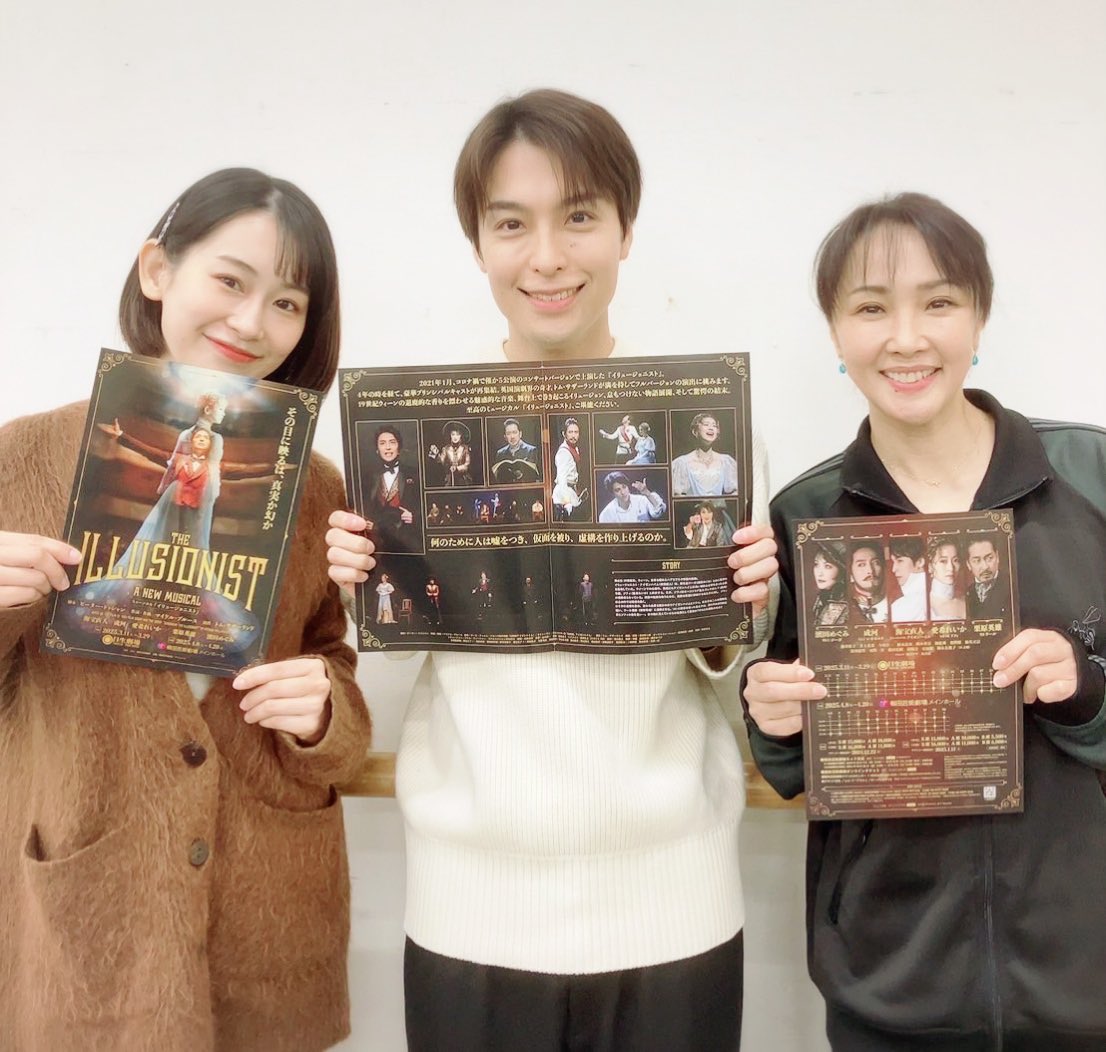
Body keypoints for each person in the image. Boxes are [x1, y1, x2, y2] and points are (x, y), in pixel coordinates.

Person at [326, 90, 778, 1052]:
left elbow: (728, 662)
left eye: (578, 217)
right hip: (470, 911)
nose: (547, 257)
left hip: (675, 902)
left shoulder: (705, 425)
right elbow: (399, 647)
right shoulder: (411, 434)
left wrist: (742, 606)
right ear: (478, 245)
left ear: (624, 231)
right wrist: (361, 582)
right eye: (511, 224)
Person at [0, 168, 372, 1050]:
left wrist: (324, 711)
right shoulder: (24, 456)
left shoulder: (316, 487)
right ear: (158, 270)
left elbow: (333, 659)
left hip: (266, 910)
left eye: (288, 303)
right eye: (230, 280)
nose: (252, 321)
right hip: (93, 917)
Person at [742, 192, 1106, 1050]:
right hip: (892, 984)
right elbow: (792, 759)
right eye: (871, 309)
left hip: (1084, 973)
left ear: (978, 318)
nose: (906, 338)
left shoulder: (1088, 473)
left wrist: (1084, 688)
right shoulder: (805, 516)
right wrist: (772, 714)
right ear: (837, 333)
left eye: (938, 303)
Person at [367, 425, 418, 550]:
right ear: (377, 450)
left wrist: (414, 517)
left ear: (399, 448)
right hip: (379, 541)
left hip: (408, 541)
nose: (388, 447)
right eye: (382, 443)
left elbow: (427, 506)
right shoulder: (369, 477)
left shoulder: (414, 474)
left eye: (392, 442)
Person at [670, 413, 739, 496]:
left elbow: (736, 493)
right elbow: (677, 495)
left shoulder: (726, 461)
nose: (711, 428)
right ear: (695, 431)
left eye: (714, 426)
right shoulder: (682, 463)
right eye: (706, 424)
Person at [597, 470, 666, 523]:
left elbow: (658, 513)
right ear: (612, 493)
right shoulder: (606, 514)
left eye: (624, 487)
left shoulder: (641, 500)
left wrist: (648, 494)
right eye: (617, 490)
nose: (623, 492)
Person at [966, 533, 1008, 619]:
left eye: (989, 558)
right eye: (977, 561)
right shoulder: (966, 594)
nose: (985, 567)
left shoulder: (1011, 586)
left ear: (997, 557)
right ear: (968, 564)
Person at [552, 416, 586, 519]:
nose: (573, 435)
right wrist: (567, 502)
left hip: (571, 491)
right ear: (564, 434)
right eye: (570, 432)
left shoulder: (575, 449)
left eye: (576, 432)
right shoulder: (563, 452)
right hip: (563, 496)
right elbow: (562, 478)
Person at [846, 541, 888, 623]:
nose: (870, 570)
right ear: (851, 574)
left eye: (876, 563)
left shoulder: (898, 605)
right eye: (861, 565)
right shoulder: (839, 610)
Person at [888, 535, 927, 622]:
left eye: (900, 561)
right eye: (893, 562)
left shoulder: (904, 606)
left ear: (920, 562)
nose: (894, 569)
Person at [927, 535, 966, 620]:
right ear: (930, 566)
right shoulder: (922, 604)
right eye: (943, 561)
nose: (951, 568)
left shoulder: (967, 600)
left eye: (955, 560)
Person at [810, 541, 848, 626]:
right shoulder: (822, 597)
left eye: (827, 566)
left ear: (841, 571)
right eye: (816, 564)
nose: (820, 573)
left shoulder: (847, 604)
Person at [492, 417, 540, 482]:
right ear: (505, 437)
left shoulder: (531, 450)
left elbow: (535, 475)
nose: (512, 437)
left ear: (520, 434)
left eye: (514, 432)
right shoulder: (500, 453)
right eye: (508, 433)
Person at [432, 420, 473, 487]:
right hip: (450, 480)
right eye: (453, 434)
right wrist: (436, 454)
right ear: (450, 435)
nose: (455, 437)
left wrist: (457, 468)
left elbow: (467, 465)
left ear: (461, 436)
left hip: (463, 480)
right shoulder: (446, 449)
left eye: (457, 434)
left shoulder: (465, 449)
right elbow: (441, 461)